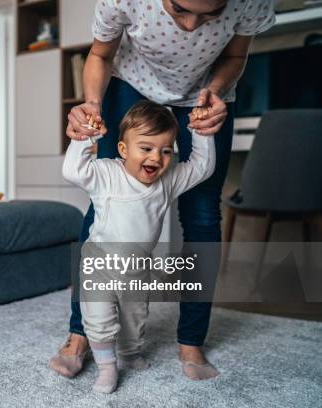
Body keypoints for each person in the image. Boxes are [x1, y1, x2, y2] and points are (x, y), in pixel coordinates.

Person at [49, 0, 275, 381]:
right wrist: (91, 104)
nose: (191, 25)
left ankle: (191, 341)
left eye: (210, 15)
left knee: (203, 216)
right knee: (105, 205)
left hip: (205, 95)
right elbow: (101, 53)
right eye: (179, 9)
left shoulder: (254, 1)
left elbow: (236, 53)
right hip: (131, 85)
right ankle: (80, 333)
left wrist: (216, 92)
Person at [62, 100, 215, 393]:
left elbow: (202, 167)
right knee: (98, 319)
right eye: (146, 148)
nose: (156, 157)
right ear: (123, 150)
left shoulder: (168, 180)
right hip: (100, 264)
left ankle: (129, 354)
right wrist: (86, 138)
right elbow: (72, 170)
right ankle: (107, 369)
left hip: (137, 267)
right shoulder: (106, 174)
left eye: (166, 150)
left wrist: (201, 133)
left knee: (134, 319)